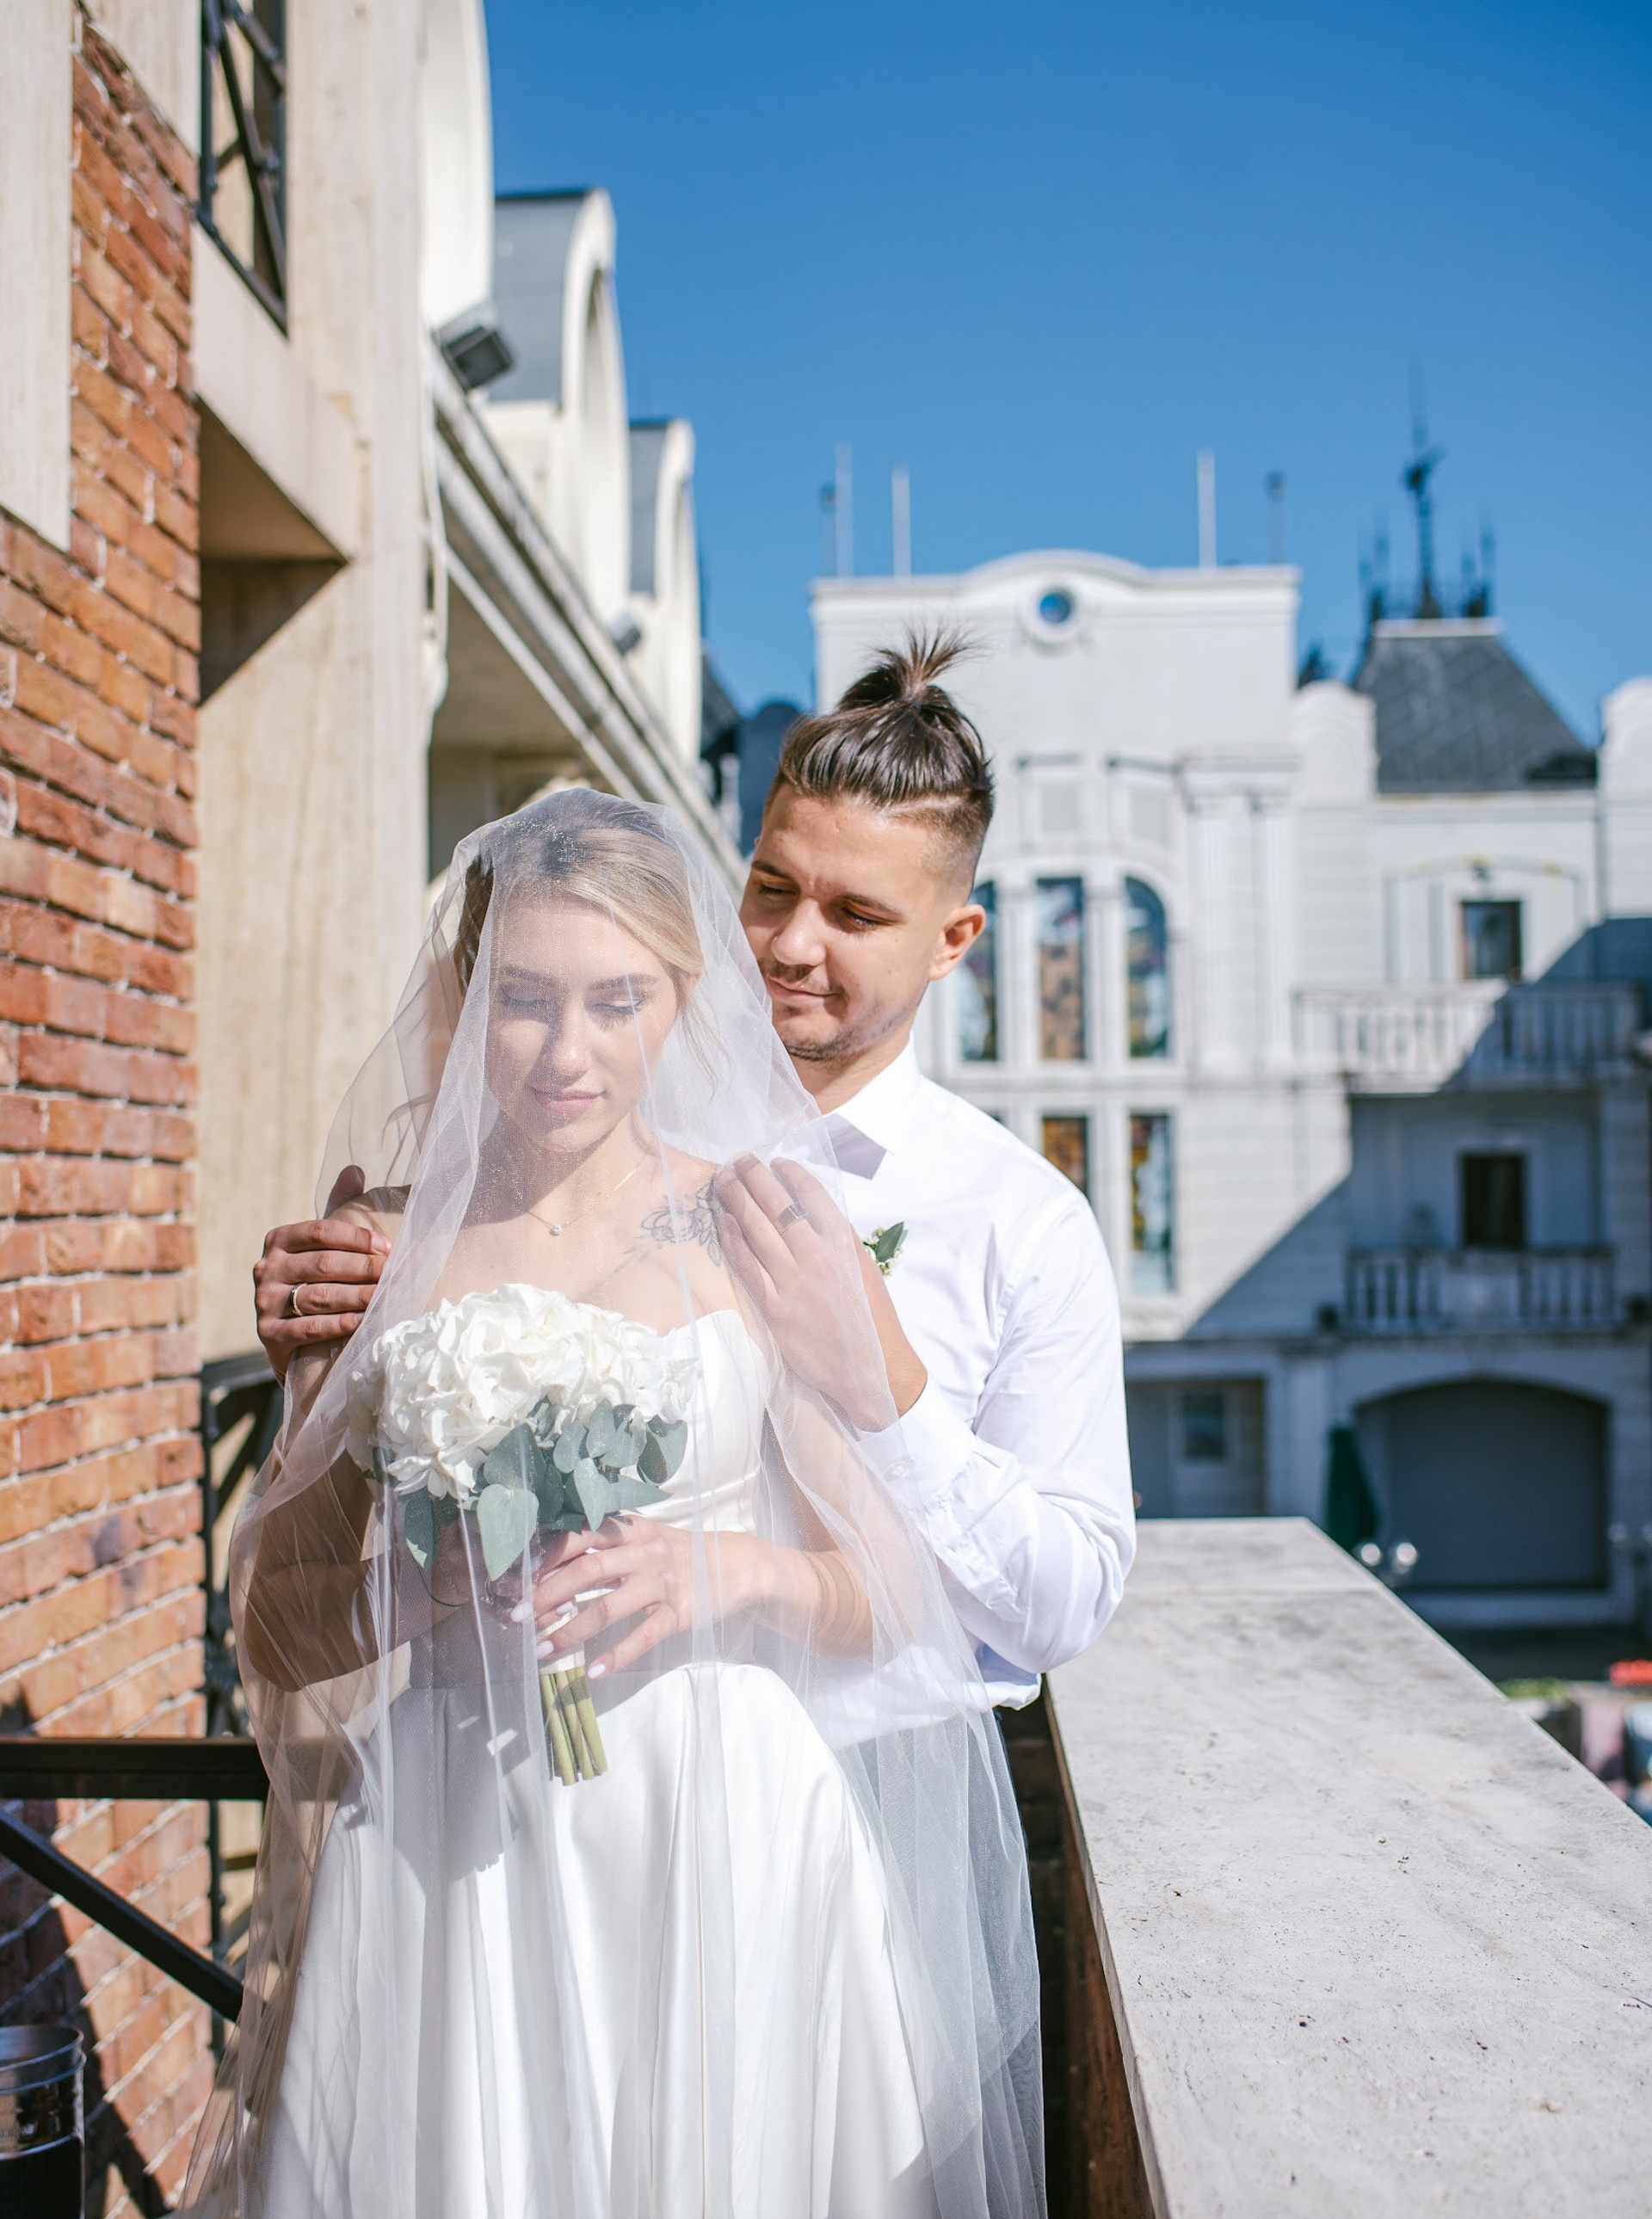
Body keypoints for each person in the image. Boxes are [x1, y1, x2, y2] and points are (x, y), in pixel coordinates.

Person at [90, 792, 1078, 2219]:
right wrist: (427, 1590)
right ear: (465, 997)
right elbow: (277, 1613)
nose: (565, 1049)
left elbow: (893, 1583)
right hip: (454, 1870)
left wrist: (722, 1586)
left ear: (681, 1001)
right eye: (526, 997)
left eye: (614, 1002)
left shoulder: (758, 1225)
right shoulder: (372, 1239)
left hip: (725, 1856)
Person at [256, 634, 1134, 1702]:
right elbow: (293, 1594)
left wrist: (885, 1385)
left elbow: (1063, 1609)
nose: (792, 944)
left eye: (856, 915)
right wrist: (350, 1345)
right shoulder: (577, 1100)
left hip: (837, 1793)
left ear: (954, 940)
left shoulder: (1020, 1219)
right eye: (773, 888)